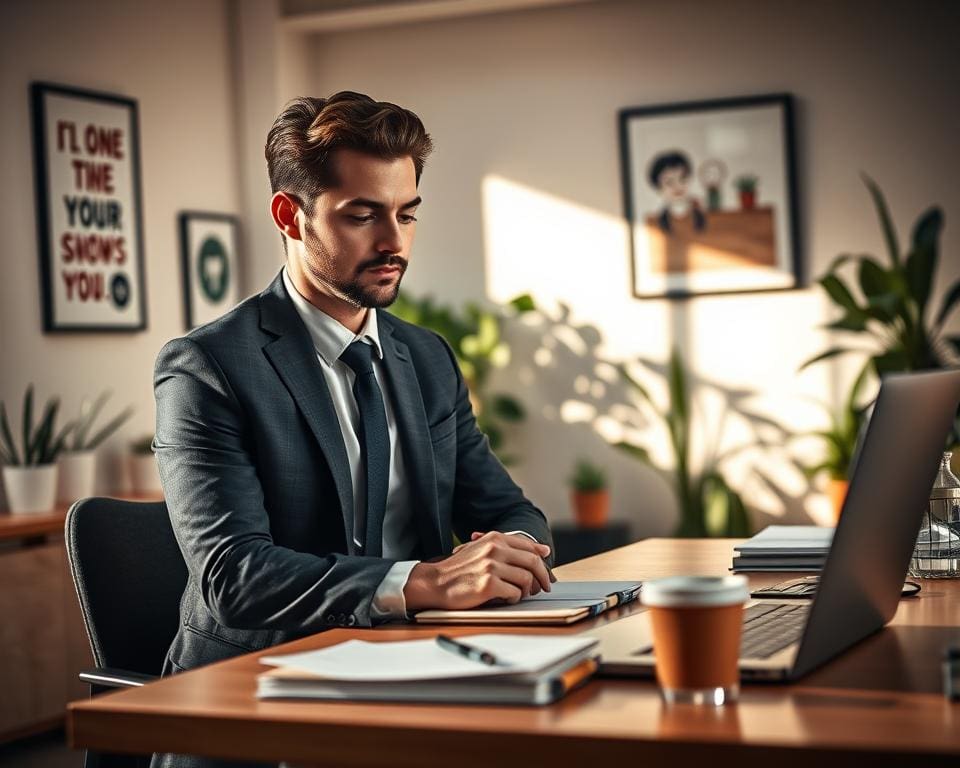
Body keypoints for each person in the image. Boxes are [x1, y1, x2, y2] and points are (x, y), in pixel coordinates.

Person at [150, 92, 554, 767]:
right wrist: (424, 583)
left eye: (406, 214)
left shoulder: (426, 357)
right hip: (258, 699)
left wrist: (511, 549)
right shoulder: (208, 366)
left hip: (417, 678)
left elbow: (508, 510)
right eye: (363, 216)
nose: (394, 241)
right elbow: (234, 576)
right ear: (290, 215)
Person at [647, 150, 706, 233]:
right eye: (669, 182)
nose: (678, 186)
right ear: (659, 188)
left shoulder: (707, 216)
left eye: (682, 178)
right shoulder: (653, 225)